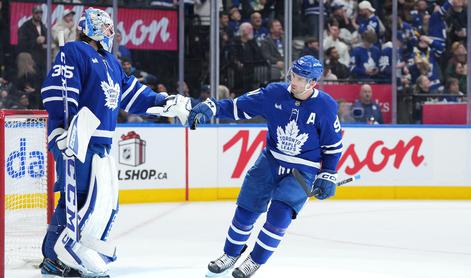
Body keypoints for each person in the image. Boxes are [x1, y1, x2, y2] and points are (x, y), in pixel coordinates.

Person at [39, 8, 187, 277]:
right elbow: (58, 92)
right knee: (77, 200)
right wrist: (62, 131)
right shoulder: (74, 52)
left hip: (100, 143)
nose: (112, 34)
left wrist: (164, 101)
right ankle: (54, 258)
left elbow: (132, 95)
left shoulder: (111, 62)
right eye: (108, 28)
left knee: (100, 201)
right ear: (95, 29)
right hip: (76, 139)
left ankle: (73, 252)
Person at [188, 55, 343, 277]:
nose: (294, 81)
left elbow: (333, 146)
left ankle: (255, 260)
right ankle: (231, 254)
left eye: (300, 78)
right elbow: (238, 107)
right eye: (293, 75)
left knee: (279, 216)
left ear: (313, 83)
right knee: (246, 210)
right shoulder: (274, 93)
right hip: (270, 161)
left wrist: (328, 173)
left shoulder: (325, 106)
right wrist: (212, 108)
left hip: (302, 171)